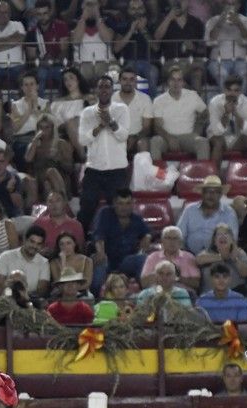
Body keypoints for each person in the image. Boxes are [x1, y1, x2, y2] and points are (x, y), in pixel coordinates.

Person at [76, 75, 129, 229]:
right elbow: (82, 140)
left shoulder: (122, 109)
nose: (104, 90)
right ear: (96, 90)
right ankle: (81, 242)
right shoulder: (87, 113)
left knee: (119, 211)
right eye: (101, 87)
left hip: (117, 169)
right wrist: (99, 126)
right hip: (94, 169)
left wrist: (111, 122)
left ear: (112, 89)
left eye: (107, 86)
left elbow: (123, 135)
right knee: (86, 207)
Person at [147, 66, 209, 163]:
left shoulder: (192, 95)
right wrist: (169, 138)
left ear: (183, 82)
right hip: (166, 137)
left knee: (202, 142)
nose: (176, 83)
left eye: (179, 80)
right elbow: (157, 126)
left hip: (188, 136)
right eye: (173, 79)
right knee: (155, 141)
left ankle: (201, 175)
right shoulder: (159, 100)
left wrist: (198, 128)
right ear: (168, 82)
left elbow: (205, 113)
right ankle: (158, 176)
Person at [91, 188, 151, 286]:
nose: (124, 207)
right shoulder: (105, 213)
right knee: (100, 263)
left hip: (126, 261)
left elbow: (147, 233)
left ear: (133, 204)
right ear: (114, 203)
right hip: (107, 257)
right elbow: (98, 235)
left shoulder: (137, 219)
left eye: (128, 203)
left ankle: (145, 295)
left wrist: (145, 241)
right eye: (120, 203)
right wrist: (101, 252)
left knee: (142, 259)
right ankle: (95, 299)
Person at [177, 175, 239, 256]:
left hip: (218, 257)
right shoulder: (190, 210)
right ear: (202, 193)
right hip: (189, 256)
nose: (211, 195)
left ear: (220, 195)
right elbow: (179, 235)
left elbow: (232, 240)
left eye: (215, 192)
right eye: (208, 191)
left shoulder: (229, 213)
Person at [206, 0, 247, 95]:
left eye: (233, 4)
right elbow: (208, 42)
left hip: (241, 60)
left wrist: (239, 24)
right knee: (222, 75)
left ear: (239, 5)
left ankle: (239, 105)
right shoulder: (213, 21)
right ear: (223, 5)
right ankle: (228, 105)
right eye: (228, 4)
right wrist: (219, 24)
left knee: (244, 74)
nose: (230, 7)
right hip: (218, 61)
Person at [207, 76, 247, 169]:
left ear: (240, 92)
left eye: (236, 91)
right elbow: (216, 131)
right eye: (229, 90)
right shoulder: (215, 102)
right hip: (219, 138)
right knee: (218, 142)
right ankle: (214, 178)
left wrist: (235, 113)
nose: (232, 93)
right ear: (224, 90)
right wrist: (226, 114)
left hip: (238, 138)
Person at [0, 224, 49, 298]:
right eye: (32, 242)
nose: (34, 246)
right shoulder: (6, 256)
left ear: (42, 246)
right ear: (24, 240)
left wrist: (24, 300)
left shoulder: (44, 263)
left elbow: (42, 290)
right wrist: (11, 299)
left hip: (30, 303)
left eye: (38, 244)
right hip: (6, 300)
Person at [195, 224, 247, 294]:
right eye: (219, 234)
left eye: (226, 234)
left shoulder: (239, 252)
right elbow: (199, 260)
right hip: (210, 294)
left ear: (232, 240)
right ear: (214, 241)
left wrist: (235, 259)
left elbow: (245, 273)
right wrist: (221, 257)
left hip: (236, 293)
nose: (223, 236)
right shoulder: (207, 252)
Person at [142, 226, 199, 290]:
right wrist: (160, 276)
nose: (171, 242)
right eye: (168, 238)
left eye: (175, 238)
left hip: (182, 294)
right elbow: (144, 283)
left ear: (180, 242)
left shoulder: (189, 257)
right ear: (162, 241)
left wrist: (177, 278)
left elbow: (196, 284)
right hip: (157, 293)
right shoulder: (153, 257)